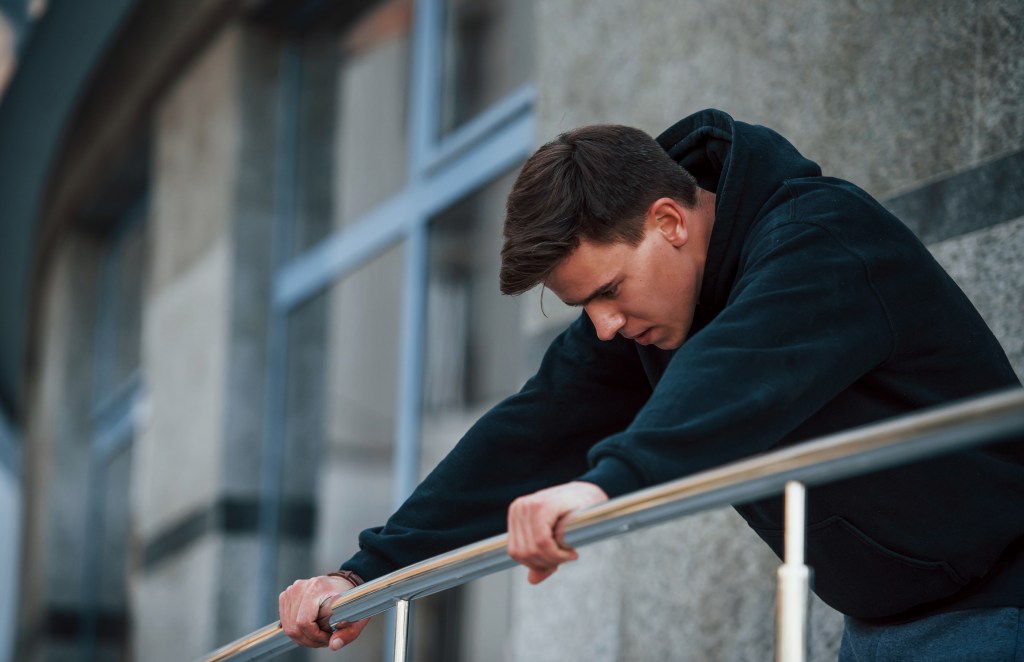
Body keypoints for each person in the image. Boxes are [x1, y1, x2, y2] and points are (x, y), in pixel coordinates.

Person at [279, 109, 1024, 658]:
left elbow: (737, 372)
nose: (603, 325)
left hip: (998, 605)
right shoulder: (658, 309)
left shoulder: (823, 241)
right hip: (878, 628)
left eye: (608, 291)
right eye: (584, 308)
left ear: (669, 220)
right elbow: (532, 427)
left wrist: (608, 484)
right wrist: (364, 572)